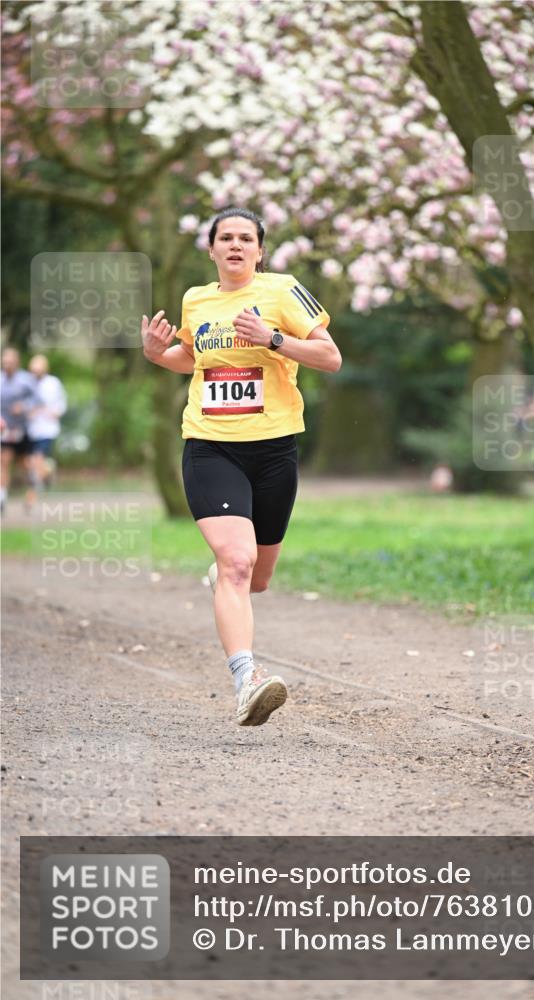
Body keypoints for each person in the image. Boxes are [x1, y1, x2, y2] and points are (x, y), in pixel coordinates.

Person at [141, 207, 342, 726]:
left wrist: (272, 339)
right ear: (210, 250)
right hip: (211, 445)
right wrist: (159, 354)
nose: (235, 245)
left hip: (274, 449)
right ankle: (246, 681)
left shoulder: (285, 291)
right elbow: (192, 359)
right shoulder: (196, 299)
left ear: (260, 250)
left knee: (257, 576)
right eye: (225, 237)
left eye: (245, 238)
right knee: (236, 562)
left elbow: (330, 357)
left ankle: (229, 578)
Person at [0, 347, 40, 514]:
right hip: (4, 429)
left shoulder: (25, 379)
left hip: (22, 430)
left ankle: (31, 494)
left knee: (24, 466)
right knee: (4, 461)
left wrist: (24, 407)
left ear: (17, 362)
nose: (7, 364)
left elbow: (37, 399)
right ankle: (2, 497)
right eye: (5, 361)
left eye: (10, 362)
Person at [26, 354, 68, 501]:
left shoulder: (53, 383)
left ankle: (33, 494)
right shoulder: (28, 383)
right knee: (31, 462)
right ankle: (48, 472)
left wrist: (56, 412)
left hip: (48, 429)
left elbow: (62, 402)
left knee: (37, 459)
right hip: (31, 429)